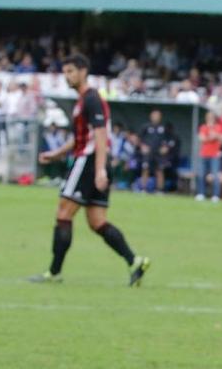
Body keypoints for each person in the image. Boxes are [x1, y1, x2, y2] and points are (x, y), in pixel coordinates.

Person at [29, 54, 150, 286]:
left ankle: (53, 273)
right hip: (92, 161)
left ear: (83, 71)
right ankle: (135, 261)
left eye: (71, 71)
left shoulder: (92, 99)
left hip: (89, 162)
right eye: (65, 72)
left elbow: (100, 135)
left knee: (63, 214)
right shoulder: (83, 100)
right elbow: (80, 138)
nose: (67, 76)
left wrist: (100, 170)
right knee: (97, 221)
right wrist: (56, 154)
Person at [138, 109, 172, 193]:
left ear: (160, 117)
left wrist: (166, 147)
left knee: (159, 170)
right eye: (154, 115)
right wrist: (142, 146)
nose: (155, 117)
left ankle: (159, 190)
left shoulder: (163, 128)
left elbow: (169, 140)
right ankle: (143, 189)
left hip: (159, 153)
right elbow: (139, 139)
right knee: (145, 169)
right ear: (151, 116)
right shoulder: (145, 127)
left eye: (157, 115)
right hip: (148, 152)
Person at [195, 110, 222, 202]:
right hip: (204, 154)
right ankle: (201, 193)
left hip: (214, 155)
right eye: (209, 116)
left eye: (212, 116)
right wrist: (212, 137)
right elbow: (202, 138)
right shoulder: (203, 127)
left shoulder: (218, 127)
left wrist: (215, 136)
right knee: (201, 174)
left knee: (215, 175)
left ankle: (216, 195)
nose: (210, 118)